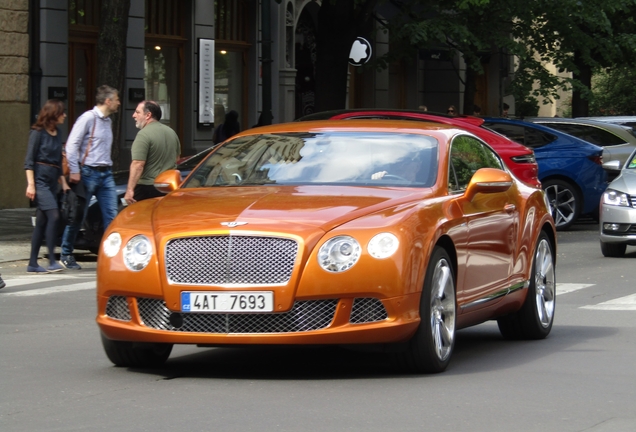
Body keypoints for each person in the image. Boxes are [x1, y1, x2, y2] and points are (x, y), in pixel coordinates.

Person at [60, 85, 121, 270]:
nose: (119, 103)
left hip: (106, 173)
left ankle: (112, 257)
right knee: (79, 215)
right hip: (88, 172)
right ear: (108, 101)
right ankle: (66, 253)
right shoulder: (88, 118)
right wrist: (75, 170)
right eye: (117, 99)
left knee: (112, 216)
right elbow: (71, 145)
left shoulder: (108, 121)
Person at [24, 99, 70, 273]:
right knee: (54, 215)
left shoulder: (57, 133)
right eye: (62, 113)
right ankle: (52, 259)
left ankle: (32, 263)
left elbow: (58, 161)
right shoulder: (37, 133)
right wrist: (31, 185)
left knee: (42, 222)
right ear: (53, 115)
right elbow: (28, 162)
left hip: (52, 181)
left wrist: (63, 183)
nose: (64, 115)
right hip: (40, 181)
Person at [124, 101, 181, 204]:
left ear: (148, 115)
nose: (134, 115)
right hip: (168, 188)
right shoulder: (172, 133)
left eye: (137, 112)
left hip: (146, 188)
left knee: (133, 217)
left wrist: (130, 190)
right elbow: (177, 159)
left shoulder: (143, 135)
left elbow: (138, 164)